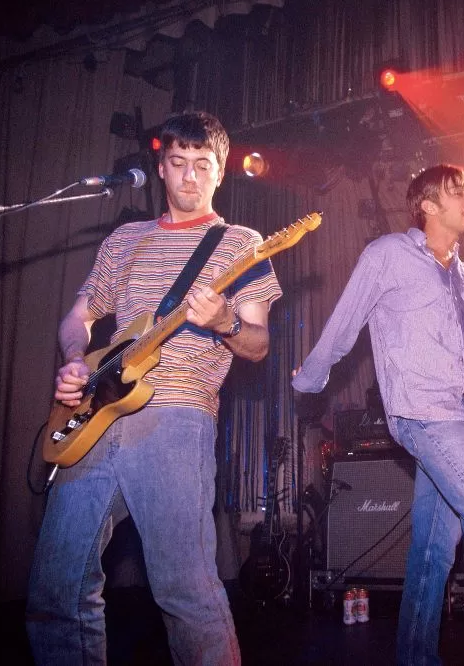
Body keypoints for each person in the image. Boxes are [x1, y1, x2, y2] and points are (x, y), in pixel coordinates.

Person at [26, 110, 283, 665]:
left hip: (177, 418)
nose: (190, 177)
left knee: (184, 591)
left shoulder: (242, 243)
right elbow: (79, 316)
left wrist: (225, 323)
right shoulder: (125, 238)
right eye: (178, 163)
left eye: (203, 165)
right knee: (57, 591)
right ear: (160, 169)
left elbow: (259, 344)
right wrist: (75, 360)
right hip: (96, 421)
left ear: (220, 174)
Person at [292, 164, 464, 666]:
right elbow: (345, 321)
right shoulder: (388, 255)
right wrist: (309, 378)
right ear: (427, 205)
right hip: (422, 415)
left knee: (433, 549)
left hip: (460, 422)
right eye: (458, 191)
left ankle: (415, 657)